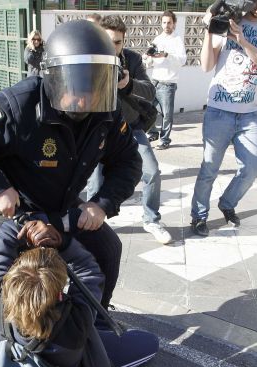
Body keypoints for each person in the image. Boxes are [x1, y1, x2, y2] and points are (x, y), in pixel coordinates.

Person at [0, 19, 142, 311]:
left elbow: (128, 161)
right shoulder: (18, 105)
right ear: (54, 77)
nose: (86, 96)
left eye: (97, 81)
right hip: (16, 209)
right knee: (11, 286)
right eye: (77, 82)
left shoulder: (106, 112)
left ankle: (94, 321)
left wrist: (102, 204)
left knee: (107, 250)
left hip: (63, 205)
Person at [0, 215, 159, 367]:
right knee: (149, 342)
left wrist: (20, 225)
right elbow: (89, 269)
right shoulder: (79, 317)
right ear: (60, 291)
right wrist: (63, 242)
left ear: (9, 284)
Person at [190, 0, 257, 237]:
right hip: (218, 110)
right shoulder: (229, 19)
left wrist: (241, 40)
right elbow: (206, 66)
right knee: (209, 169)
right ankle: (199, 216)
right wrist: (210, 28)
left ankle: (227, 202)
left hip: (249, 114)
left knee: (252, 169)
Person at [86, 15, 172, 244]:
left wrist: (128, 84)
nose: (112, 47)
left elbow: (149, 91)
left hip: (129, 127)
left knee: (152, 171)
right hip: (97, 129)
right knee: (94, 182)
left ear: (123, 42)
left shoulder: (131, 60)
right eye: (108, 41)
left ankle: (152, 219)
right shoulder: (87, 59)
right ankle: (94, 225)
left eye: (117, 42)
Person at [142, 10, 187, 150]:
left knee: (166, 114)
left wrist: (166, 54)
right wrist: (146, 58)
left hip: (168, 83)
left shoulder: (177, 40)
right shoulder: (157, 39)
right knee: (148, 110)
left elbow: (182, 60)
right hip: (154, 80)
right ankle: (153, 132)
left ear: (174, 23)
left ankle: (165, 139)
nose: (166, 25)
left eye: (169, 22)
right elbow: (149, 63)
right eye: (164, 22)